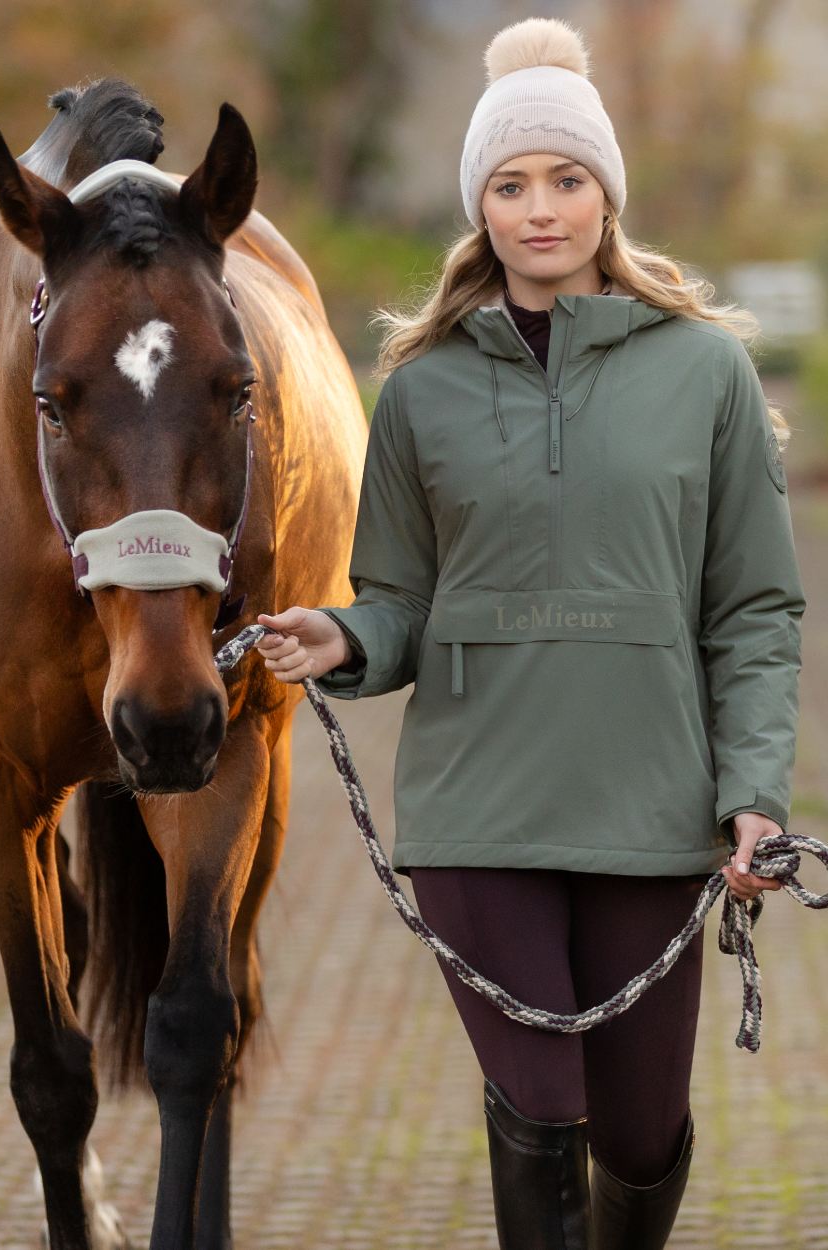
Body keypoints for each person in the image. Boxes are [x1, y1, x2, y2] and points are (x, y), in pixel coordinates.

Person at [255, 16, 805, 1250]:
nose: (539, 208)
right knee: (539, 1104)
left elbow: (754, 607)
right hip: (476, 807)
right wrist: (344, 639)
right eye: (509, 184)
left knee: (641, 1133)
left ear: (605, 194)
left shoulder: (706, 373)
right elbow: (398, 594)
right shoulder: (420, 386)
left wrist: (753, 795)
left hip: (652, 806)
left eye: (564, 180)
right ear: (479, 206)